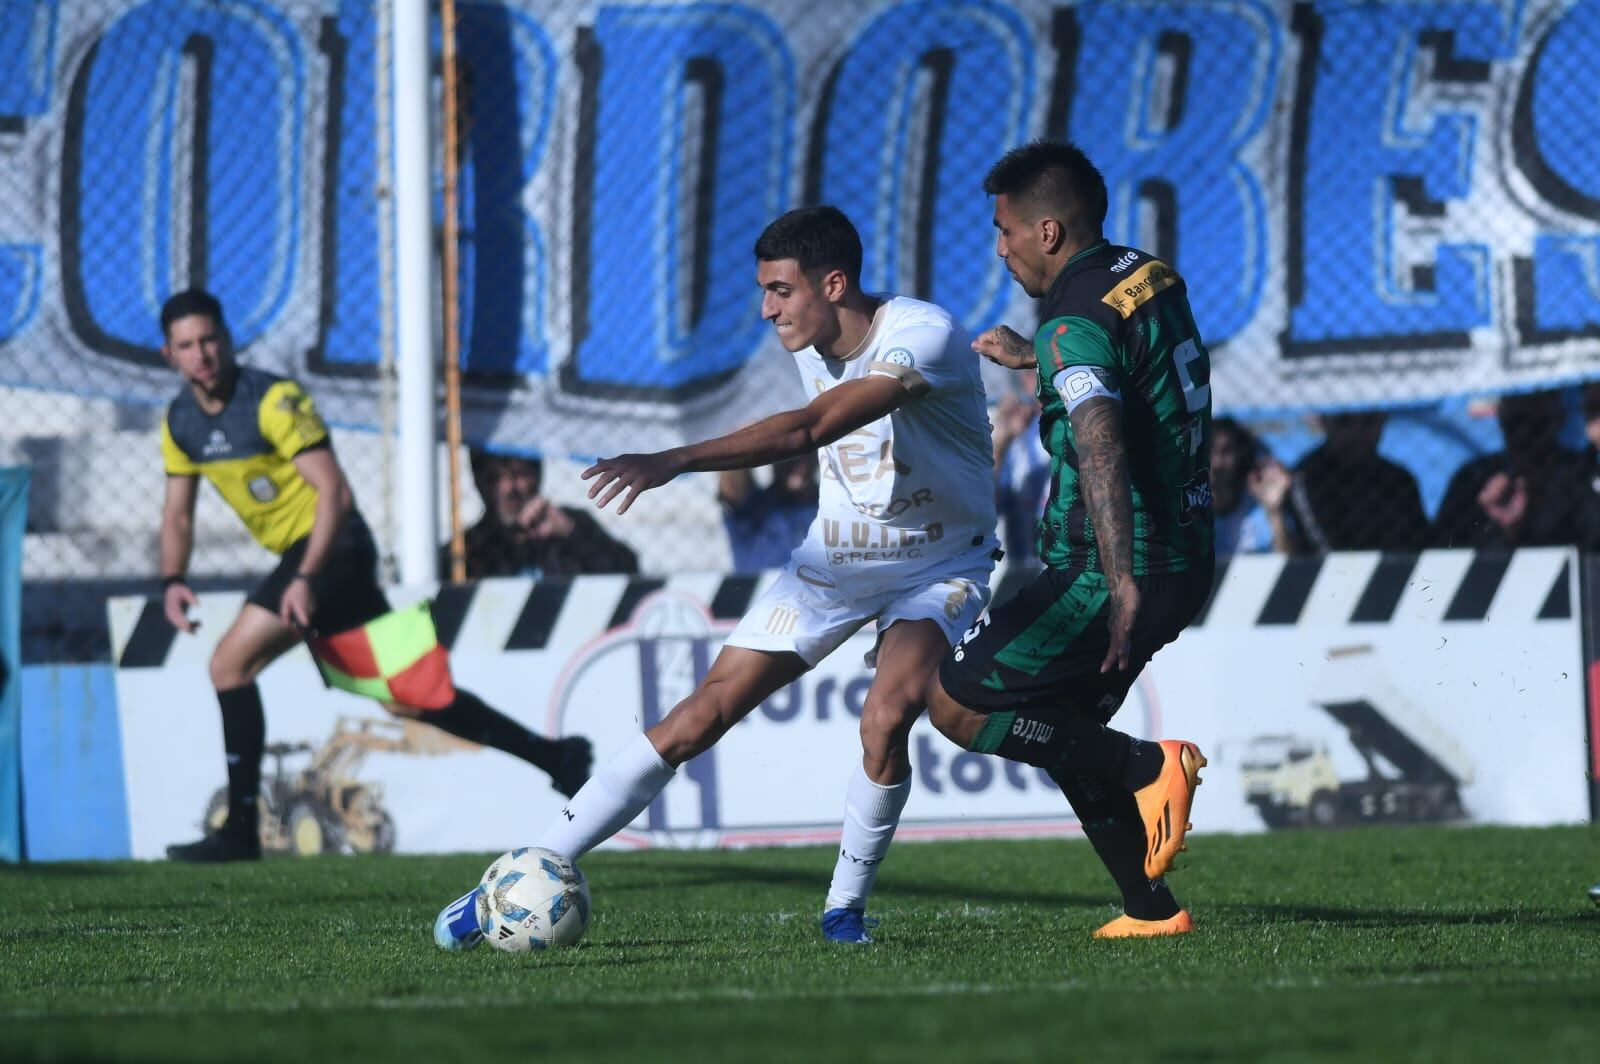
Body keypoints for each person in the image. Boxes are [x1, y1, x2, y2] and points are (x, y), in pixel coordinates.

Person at [434, 205, 1000, 949]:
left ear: (834, 285)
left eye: (780, 291)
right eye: (764, 292)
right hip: (837, 561)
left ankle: (843, 913)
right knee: (695, 719)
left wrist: (673, 459)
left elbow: (811, 429)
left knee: (887, 714)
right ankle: (514, 880)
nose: (767, 309)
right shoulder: (811, 334)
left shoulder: (921, 334)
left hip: (941, 562)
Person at [156, 289, 592, 862]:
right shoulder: (180, 421)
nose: (202, 354)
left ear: (227, 338)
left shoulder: (274, 401)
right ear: (170, 355)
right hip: (309, 564)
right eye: (187, 346)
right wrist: (172, 579)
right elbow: (177, 513)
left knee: (229, 664)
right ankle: (556, 758)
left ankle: (240, 831)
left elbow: (334, 492)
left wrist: (307, 577)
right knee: (408, 699)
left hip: (332, 550)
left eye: (209, 339)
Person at [922, 140, 1213, 939]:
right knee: (1062, 726)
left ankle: (1152, 766)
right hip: (1187, 556)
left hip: (1112, 568)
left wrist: (1118, 583)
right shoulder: (1147, 275)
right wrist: (1036, 363)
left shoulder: (1071, 320)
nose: (1000, 247)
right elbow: (1132, 380)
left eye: (1004, 230)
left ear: (1047, 232)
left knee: (952, 701)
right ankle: (1149, 909)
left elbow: (1100, 438)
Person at [1433, 389, 1598, 550]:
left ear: (1559, 419)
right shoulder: (1474, 478)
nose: (1523, 435)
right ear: (1502, 421)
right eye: (1515, 424)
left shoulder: (1584, 474)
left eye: (1535, 425)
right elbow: (1440, 549)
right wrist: (1499, 527)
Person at [451, 449, 637, 580]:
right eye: (494, 478)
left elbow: (628, 570)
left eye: (518, 474)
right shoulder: (467, 549)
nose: (509, 488)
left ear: (537, 475)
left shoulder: (571, 524)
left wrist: (571, 534)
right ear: (478, 483)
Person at [1287, 412, 1428, 552]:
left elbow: (1418, 544)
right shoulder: (1305, 479)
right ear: (1325, 422)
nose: (1356, 433)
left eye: (1369, 421)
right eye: (1344, 421)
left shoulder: (1399, 481)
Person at [717, 455, 818, 572]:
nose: (798, 465)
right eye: (789, 455)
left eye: (805, 454)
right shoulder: (753, 505)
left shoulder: (831, 504)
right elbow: (733, 485)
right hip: (761, 588)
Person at [1210, 416, 1292, 556]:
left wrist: (1273, 511)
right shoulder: (1184, 509)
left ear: (1240, 456)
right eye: (1208, 451)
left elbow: (1286, 560)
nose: (1216, 462)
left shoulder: (1258, 509)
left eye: (1226, 451)